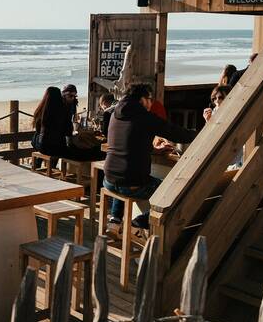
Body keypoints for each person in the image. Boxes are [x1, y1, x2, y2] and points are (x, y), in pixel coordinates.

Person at [103, 83, 196, 232]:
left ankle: (115, 219)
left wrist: (152, 149)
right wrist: (198, 134)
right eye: (150, 99)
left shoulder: (115, 114)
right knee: (174, 193)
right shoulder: (144, 117)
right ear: (143, 99)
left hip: (108, 179)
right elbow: (175, 133)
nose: (151, 103)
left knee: (123, 171)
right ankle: (138, 222)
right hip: (132, 184)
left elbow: (129, 143)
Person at [202, 85, 243, 168]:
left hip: (232, 152)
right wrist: (208, 121)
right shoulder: (215, 111)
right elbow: (209, 136)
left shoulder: (234, 111)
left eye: (220, 98)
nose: (217, 101)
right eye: (214, 98)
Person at [31, 87, 70, 166]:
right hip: (60, 147)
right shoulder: (64, 110)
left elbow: (38, 130)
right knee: (55, 144)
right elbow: (68, 131)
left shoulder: (42, 110)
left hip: (44, 147)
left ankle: (39, 161)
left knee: (36, 136)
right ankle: (52, 165)